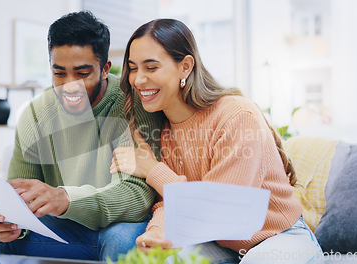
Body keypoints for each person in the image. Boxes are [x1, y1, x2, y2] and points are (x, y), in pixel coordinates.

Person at [110, 18, 323, 264]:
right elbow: (170, 203)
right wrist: (157, 232)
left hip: (278, 236)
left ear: (185, 67)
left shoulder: (236, 115)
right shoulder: (162, 129)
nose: (137, 80)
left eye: (151, 67)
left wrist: (153, 169)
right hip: (220, 243)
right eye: (133, 68)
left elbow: (221, 208)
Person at [0, 11, 164, 263]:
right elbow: (20, 195)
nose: (70, 85)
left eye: (82, 73)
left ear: (104, 69)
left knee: (121, 240)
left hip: (117, 226)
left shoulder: (131, 104)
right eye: (59, 73)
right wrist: (11, 222)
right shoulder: (35, 115)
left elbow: (137, 197)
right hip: (64, 229)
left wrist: (66, 198)